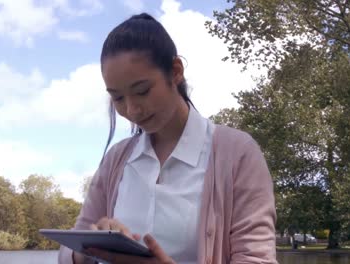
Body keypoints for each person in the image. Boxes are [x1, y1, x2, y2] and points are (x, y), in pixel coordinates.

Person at [58, 13, 277, 264]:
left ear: (175, 72)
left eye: (142, 91)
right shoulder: (116, 160)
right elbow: (67, 254)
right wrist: (91, 245)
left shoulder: (237, 153)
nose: (132, 110)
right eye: (117, 98)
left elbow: (256, 259)